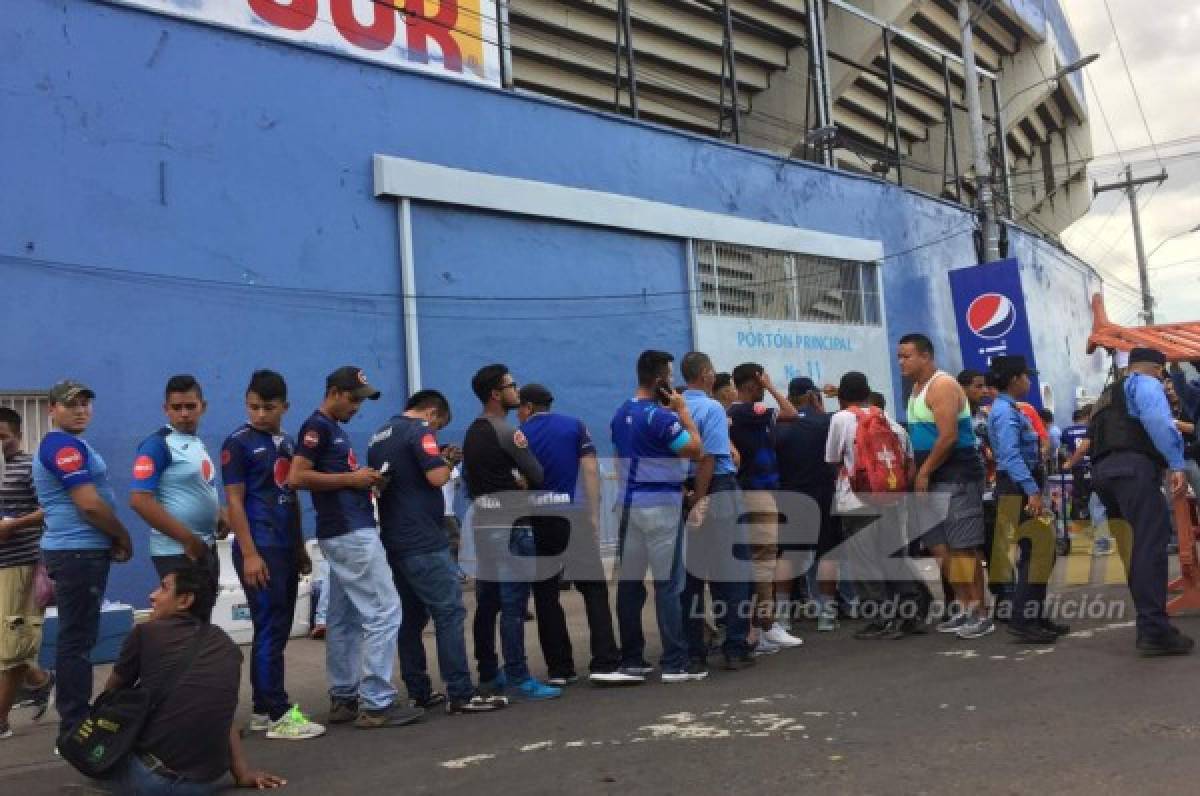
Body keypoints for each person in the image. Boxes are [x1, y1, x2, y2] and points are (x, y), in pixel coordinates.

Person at [289, 366, 423, 728]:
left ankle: (344, 697)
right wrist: (353, 478)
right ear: (333, 392)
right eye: (352, 399)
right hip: (351, 532)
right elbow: (296, 476)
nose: (356, 407)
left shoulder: (333, 430)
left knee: (344, 618)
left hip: (343, 530)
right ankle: (377, 702)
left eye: (360, 400)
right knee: (385, 610)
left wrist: (366, 481)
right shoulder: (317, 427)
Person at [369, 389, 508, 714]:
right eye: (439, 424)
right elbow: (436, 476)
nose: (436, 431)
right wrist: (446, 460)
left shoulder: (379, 435)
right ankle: (460, 691)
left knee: (411, 617)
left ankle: (419, 690)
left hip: (394, 537)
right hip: (423, 539)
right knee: (449, 612)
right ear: (432, 413)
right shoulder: (420, 431)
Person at [99, 563, 285, 793]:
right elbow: (223, 714)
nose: (152, 595)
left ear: (185, 601)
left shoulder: (146, 633)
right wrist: (242, 773)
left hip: (151, 779)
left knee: (93, 757)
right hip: (204, 785)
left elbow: (111, 696)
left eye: (163, 588)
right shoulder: (226, 644)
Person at [221, 370, 324, 740]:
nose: (260, 414)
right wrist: (249, 553)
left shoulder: (287, 443)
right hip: (259, 545)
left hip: (283, 546)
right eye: (253, 406)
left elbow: (292, 496)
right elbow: (233, 501)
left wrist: (298, 548)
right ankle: (280, 714)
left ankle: (264, 711)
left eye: (268, 407)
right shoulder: (238, 443)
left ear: (285, 407)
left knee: (277, 629)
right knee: (268, 627)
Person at [516, 384, 643, 684]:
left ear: (528, 407)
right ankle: (604, 661)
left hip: (539, 517)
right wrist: (593, 516)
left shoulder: (519, 436)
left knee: (546, 594)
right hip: (573, 516)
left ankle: (560, 669)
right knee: (594, 591)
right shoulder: (575, 426)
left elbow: (519, 480)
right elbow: (589, 470)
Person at [34, 380, 133, 738]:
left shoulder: (75, 444)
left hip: (81, 550)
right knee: (76, 641)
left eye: (86, 403)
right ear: (51, 409)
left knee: (78, 637)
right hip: (77, 551)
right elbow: (89, 504)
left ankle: (75, 718)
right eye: (71, 404)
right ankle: (74, 726)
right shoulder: (62, 447)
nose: (80, 410)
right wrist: (121, 535)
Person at [463, 364, 561, 701]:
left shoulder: (472, 431)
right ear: (495, 393)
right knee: (514, 604)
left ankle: (489, 673)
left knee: (487, 602)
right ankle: (519, 675)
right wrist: (520, 482)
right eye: (511, 385)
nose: (515, 391)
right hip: (512, 526)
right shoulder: (508, 432)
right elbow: (537, 473)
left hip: (484, 524)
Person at [1090, 347, 1194, 656]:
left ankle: (1151, 623)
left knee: (1136, 551)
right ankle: (1154, 630)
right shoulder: (1146, 384)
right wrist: (1177, 464)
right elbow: (1159, 423)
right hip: (1133, 470)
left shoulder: (1108, 393)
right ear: (1158, 370)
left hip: (1103, 473)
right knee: (1150, 548)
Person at [611, 350, 705, 682]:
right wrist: (683, 412)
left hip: (628, 504)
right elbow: (695, 449)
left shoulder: (621, 413)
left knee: (630, 585)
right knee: (669, 585)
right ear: (659, 380)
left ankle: (632, 659)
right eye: (668, 375)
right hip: (661, 505)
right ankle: (675, 662)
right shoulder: (662, 418)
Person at [897, 335, 993, 639]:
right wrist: (915, 475)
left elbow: (948, 437)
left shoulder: (942, 386)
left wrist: (924, 472)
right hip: (932, 478)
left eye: (907, 356)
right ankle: (964, 607)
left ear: (926, 356)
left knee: (963, 547)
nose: (901, 361)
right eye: (899, 356)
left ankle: (980, 613)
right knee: (941, 549)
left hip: (957, 477)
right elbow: (919, 441)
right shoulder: (914, 391)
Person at [826, 375, 921, 640]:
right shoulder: (888, 421)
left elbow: (833, 458)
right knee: (893, 556)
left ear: (842, 397)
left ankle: (879, 618)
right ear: (868, 394)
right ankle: (910, 612)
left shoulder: (841, 418)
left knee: (864, 562)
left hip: (856, 501)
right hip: (889, 498)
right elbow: (907, 460)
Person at [678, 353, 754, 673]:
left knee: (691, 574)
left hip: (680, 489)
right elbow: (710, 457)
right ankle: (735, 646)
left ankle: (694, 649)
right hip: (716, 487)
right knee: (732, 569)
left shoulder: (673, 408)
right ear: (707, 375)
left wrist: (689, 496)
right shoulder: (711, 409)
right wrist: (700, 496)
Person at [986, 357, 1067, 643]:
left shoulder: (1010, 410)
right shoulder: (1006, 414)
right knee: (1036, 552)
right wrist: (1032, 490)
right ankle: (1023, 620)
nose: (1029, 382)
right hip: (1018, 488)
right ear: (1014, 380)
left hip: (1019, 486)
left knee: (1040, 552)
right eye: (1025, 377)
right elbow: (1009, 456)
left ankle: (1034, 616)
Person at [728, 363, 803, 653]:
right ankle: (766, 626)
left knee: (761, 559)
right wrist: (772, 388)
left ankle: (760, 628)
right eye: (762, 381)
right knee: (763, 559)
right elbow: (791, 413)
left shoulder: (742, 414)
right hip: (756, 491)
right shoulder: (746, 411)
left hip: (758, 491)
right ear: (753, 383)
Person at [130, 374, 222, 586]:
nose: (184, 414)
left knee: (200, 617)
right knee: (182, 618)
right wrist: (187, 539)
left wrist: (219, 514)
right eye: (177, 407)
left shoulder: (196, 443)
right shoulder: (157, 445)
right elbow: (139, 500)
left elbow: (196, 490)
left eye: (191, 406)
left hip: (204, 547)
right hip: (177, 553)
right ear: (166, 409)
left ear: (203, 407)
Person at [0, 407, 54, 740]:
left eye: (2, 437)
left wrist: (13, 525)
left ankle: (1, 720)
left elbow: (50, 507)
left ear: (17, 436)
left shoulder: (29, 466)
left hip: (19, 566)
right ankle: (39, 681)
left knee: (10, 645)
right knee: (9, 642)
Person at [775, 378, 839, 631]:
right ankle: (827, 614)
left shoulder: (780, 424)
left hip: (790, 493)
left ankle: (782, 616)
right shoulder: (826, 421)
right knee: (827, 553)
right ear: (813, 395)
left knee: (787, 554)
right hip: (823, 492)